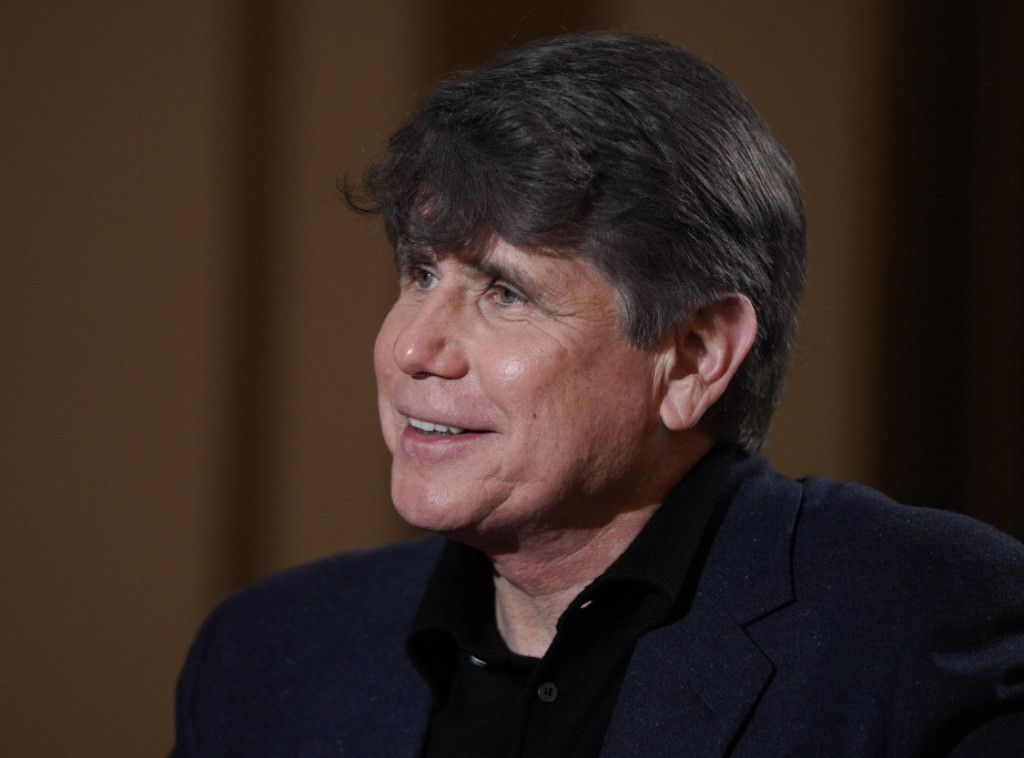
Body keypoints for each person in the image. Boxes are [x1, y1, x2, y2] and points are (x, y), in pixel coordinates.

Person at [171, 31, 1024, 756]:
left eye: (504, 293)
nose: (410, 348)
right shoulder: (266, 656)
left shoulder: (921, 626)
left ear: (692, 358)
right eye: (421, 274)